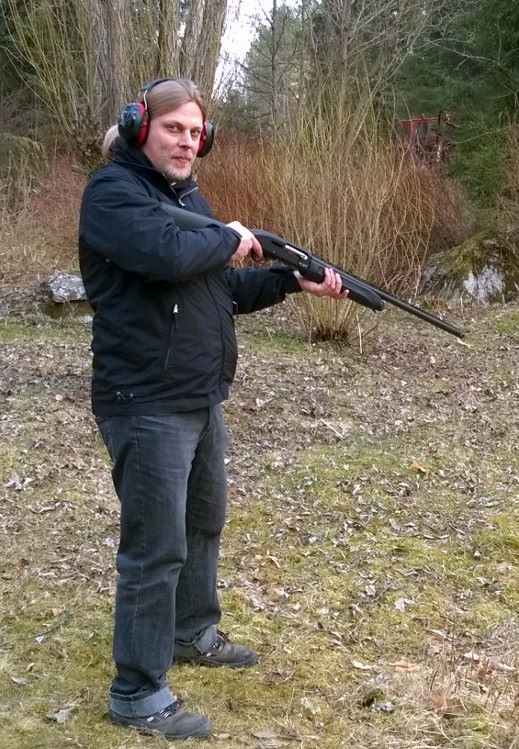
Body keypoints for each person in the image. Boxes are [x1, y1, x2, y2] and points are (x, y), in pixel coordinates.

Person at [78, 77, 346, 740]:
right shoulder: (113, 193)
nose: (186, 142)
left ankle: (190, 631)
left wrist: (289, 278)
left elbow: (220, 287)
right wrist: (232, 236)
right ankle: (136, 691)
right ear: (140, 126)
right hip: (145, 400)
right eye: (175, 128)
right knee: (154, 547)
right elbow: (167, 256)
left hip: (198, 397)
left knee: (203, 521)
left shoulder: (186, 200)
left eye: (196, 133)